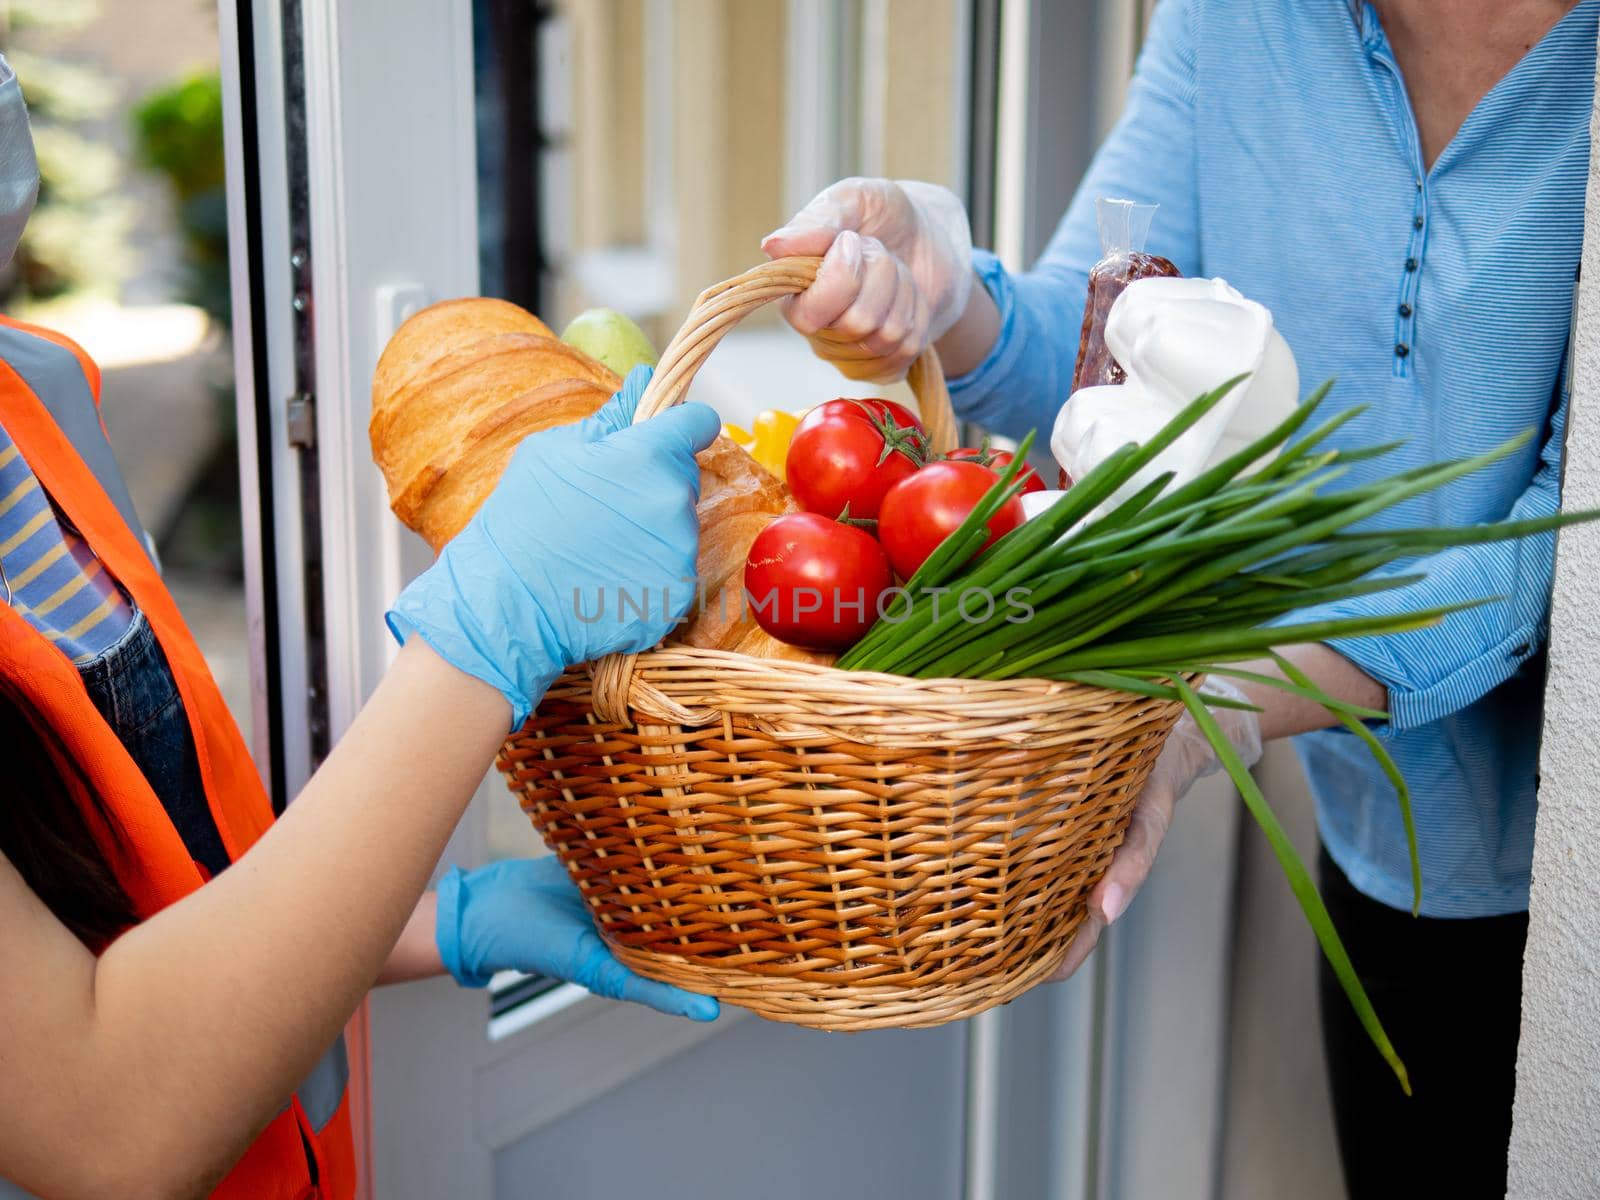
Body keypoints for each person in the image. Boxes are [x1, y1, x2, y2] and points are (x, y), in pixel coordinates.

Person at [761, 0, 1594, 1194]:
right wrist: (952, 301)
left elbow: (1555, 555)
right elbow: (1104, 361)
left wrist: (1222, 710)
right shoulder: (1245, 19)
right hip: (1380, 854)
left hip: (1568, 873)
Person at [0, 54, 721, 1200]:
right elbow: (102, 1127)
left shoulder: (32, 398)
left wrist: (443, 924)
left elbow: (122, 913)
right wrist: (495, 622)